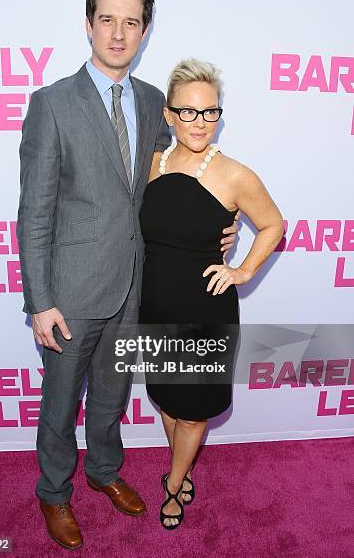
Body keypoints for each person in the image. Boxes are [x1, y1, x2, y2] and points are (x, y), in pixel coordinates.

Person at [17, 0, 238, 549]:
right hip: (70, 292)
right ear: (88, 25)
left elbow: (182, 182)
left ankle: (104, 472)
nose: (118, 33)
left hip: (136, 286)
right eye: (107, 20)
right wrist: (40, 302)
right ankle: (55, 492)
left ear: (145, 31)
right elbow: (35, 213)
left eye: (131, 22)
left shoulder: (153, 104)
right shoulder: (52, 104)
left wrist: (223, 225)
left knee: (112, 397)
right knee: (61, 403)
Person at [139, 58, 284, 529]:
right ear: (168, 114)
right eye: (187, 111)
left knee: (194, 411)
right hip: (155, 306)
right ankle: (178, 471)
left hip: (206, 312)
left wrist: (242, 270)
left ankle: (175, 483)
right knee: (167, 399)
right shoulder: (152, 165)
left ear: (219, 115)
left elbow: (273, 224)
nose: (198, 123)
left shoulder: (234, 174)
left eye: (209, 112)